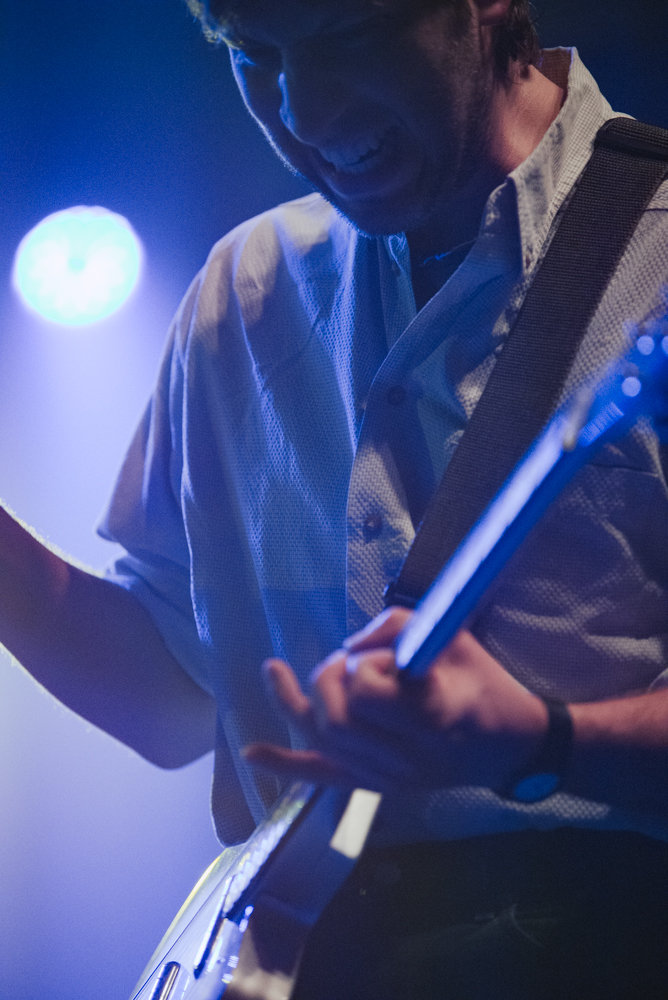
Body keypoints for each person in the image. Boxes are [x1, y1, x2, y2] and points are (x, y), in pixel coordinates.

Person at [1, 0, 667, 996]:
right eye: (253, 54)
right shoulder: (242, 288)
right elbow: (172, 701)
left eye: (348, 37)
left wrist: (540, 738)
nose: (302, 111)